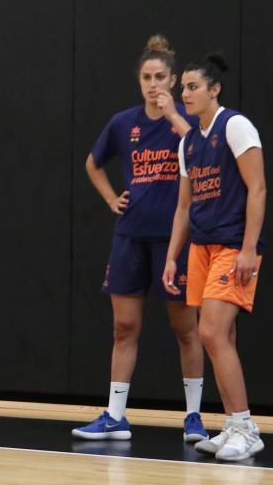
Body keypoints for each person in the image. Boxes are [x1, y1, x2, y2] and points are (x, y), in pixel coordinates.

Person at [72, 35, 209, 444]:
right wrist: (113, 197)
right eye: (147, 77)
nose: (154, 85)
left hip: (175, 239)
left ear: (174, 80)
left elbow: (202, 153)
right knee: (124, 327)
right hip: (131, 235)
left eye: (162, 77)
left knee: (186, 328)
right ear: (139, 80)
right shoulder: (123, 123)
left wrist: (174, 118)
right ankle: (115, 416)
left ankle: (194, 416)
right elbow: (93, 164)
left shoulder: (187, 120)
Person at [162, 52, 267, 461]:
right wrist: (172, 257)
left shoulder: (236, 126)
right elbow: (183, 208)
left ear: (214, 89)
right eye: (183, 87)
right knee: (219, 337)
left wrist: (249, 248)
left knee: (209, 332)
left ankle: (245, 426)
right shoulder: (189, 143)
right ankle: (233, 424)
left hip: (232, 245)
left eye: (192, 87)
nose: (185, 93)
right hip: (200, 247)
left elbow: (257, 189)